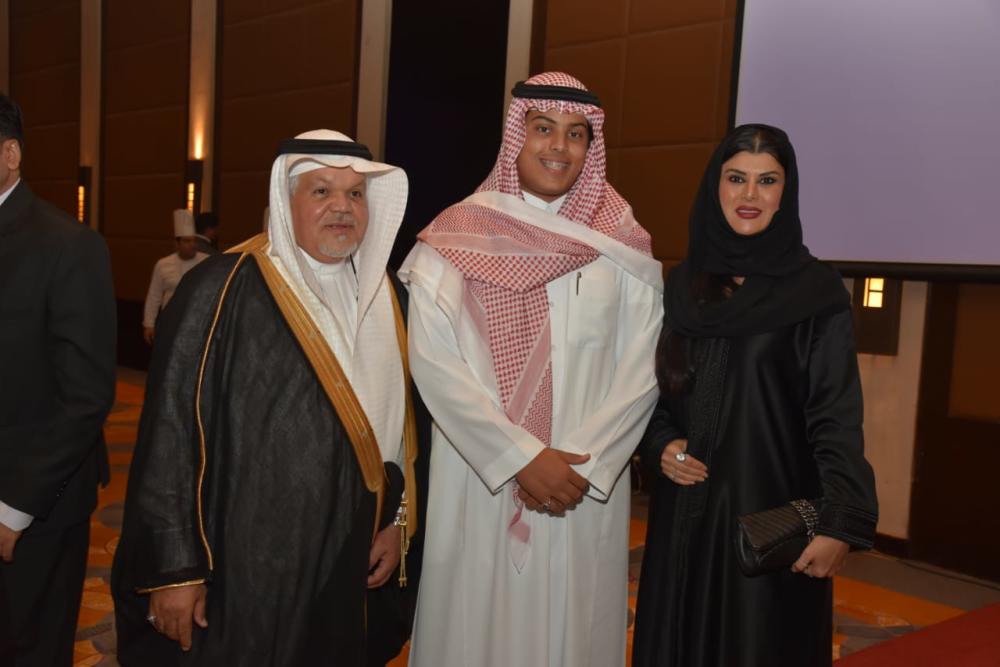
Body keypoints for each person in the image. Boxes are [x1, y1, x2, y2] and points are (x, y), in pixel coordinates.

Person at [112, 130, 424, 666]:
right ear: (286, 199)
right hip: (243, 567)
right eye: (321, 191)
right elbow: (170, 434)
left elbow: (403, 430)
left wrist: (397, 521)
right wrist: (176, 570)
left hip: (348, 558)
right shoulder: (219, 288)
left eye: (354, 195)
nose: (341, 208)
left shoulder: (388, 296)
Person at [399, 72, 663, 666]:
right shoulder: (456, 236)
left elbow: (644, 367)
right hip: (480, 477)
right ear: (517, 136)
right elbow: (434, 364)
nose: (558, 147)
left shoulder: (621, 245)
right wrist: (520, 456)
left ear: (591, 149)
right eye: (543, 129)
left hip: (580, 486)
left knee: (572, 631)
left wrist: (581, 466)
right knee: (473, 626)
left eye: (576, 135)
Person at [631, 124, 878, 667]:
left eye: (767, 181)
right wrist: (662, 445)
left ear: (785, 193)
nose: (749, 195)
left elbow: (836, 415)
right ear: (714, 187)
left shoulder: (815, 291)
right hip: (684, 522)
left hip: (772, 525)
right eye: (736, 178)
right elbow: (650, 394)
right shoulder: (680, 286)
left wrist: (838, 522)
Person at [0, 93, 116, 665]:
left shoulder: (68, 245)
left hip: (33, 504)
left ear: (11, 153)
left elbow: (87, 395)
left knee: (28, 649)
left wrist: (12, 509)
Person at [141, 209, 209, 345]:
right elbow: (154, 296)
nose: (192, 245)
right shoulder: (163, 264)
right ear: (177, 244)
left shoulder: (206, 262)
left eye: (194, 241)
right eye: (187, 241)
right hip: (169, 321)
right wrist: (149, 324)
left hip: (197, 322)